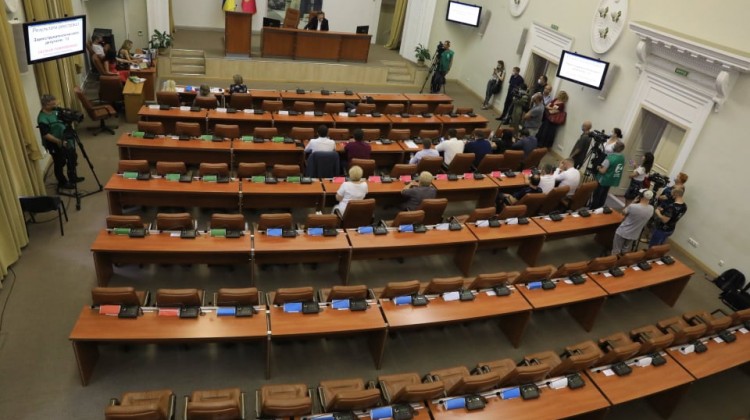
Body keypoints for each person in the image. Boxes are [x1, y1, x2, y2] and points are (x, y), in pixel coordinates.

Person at [38, 94, 82, 190]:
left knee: (72, 156)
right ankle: (63, 182)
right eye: (52, 104)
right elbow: (46, 134)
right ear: (46, 105)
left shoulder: (55, 110)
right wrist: (59, 141)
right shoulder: (42, 118)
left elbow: (64, 115)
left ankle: (72, 177)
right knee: (59, 162)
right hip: (54, 143)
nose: (55, 105)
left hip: (65, 138)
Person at [612, 190, 654, 255]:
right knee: (625, 250)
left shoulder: (633, 206)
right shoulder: (651, 208)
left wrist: (633, 202)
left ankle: (613, 260)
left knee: (616, 250)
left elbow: (623, 212)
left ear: (640, 196)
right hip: (634, 234)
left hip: (623, 232)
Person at [591, 141, 625, 208]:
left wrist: (598, 167)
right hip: (611, 179)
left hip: (603, 180)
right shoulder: (622, 158)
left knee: (597, 195)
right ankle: (600, 208)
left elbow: (603, 171)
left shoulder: (609, 158)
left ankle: (593, 208)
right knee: (604, 194)